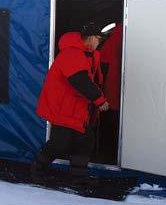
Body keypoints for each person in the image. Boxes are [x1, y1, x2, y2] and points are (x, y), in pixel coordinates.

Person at [33, 22, 109, 179]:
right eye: (98, 39)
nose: (99, 42)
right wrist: (100, 100)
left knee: (85, 141)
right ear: (89, 38)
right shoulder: (71, 54)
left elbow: (93, 79)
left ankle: (78, 176)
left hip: (79, 108)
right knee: (59, 143)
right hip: (64, 108)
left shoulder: (90, 55)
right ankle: (37, 168)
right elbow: (80, 80)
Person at [96, 22, 123, 162]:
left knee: (109, 128)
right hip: (120, 93)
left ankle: (107, 156)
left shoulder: (114, 35)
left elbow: (102, 63)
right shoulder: (119, 33)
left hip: (110, 93)